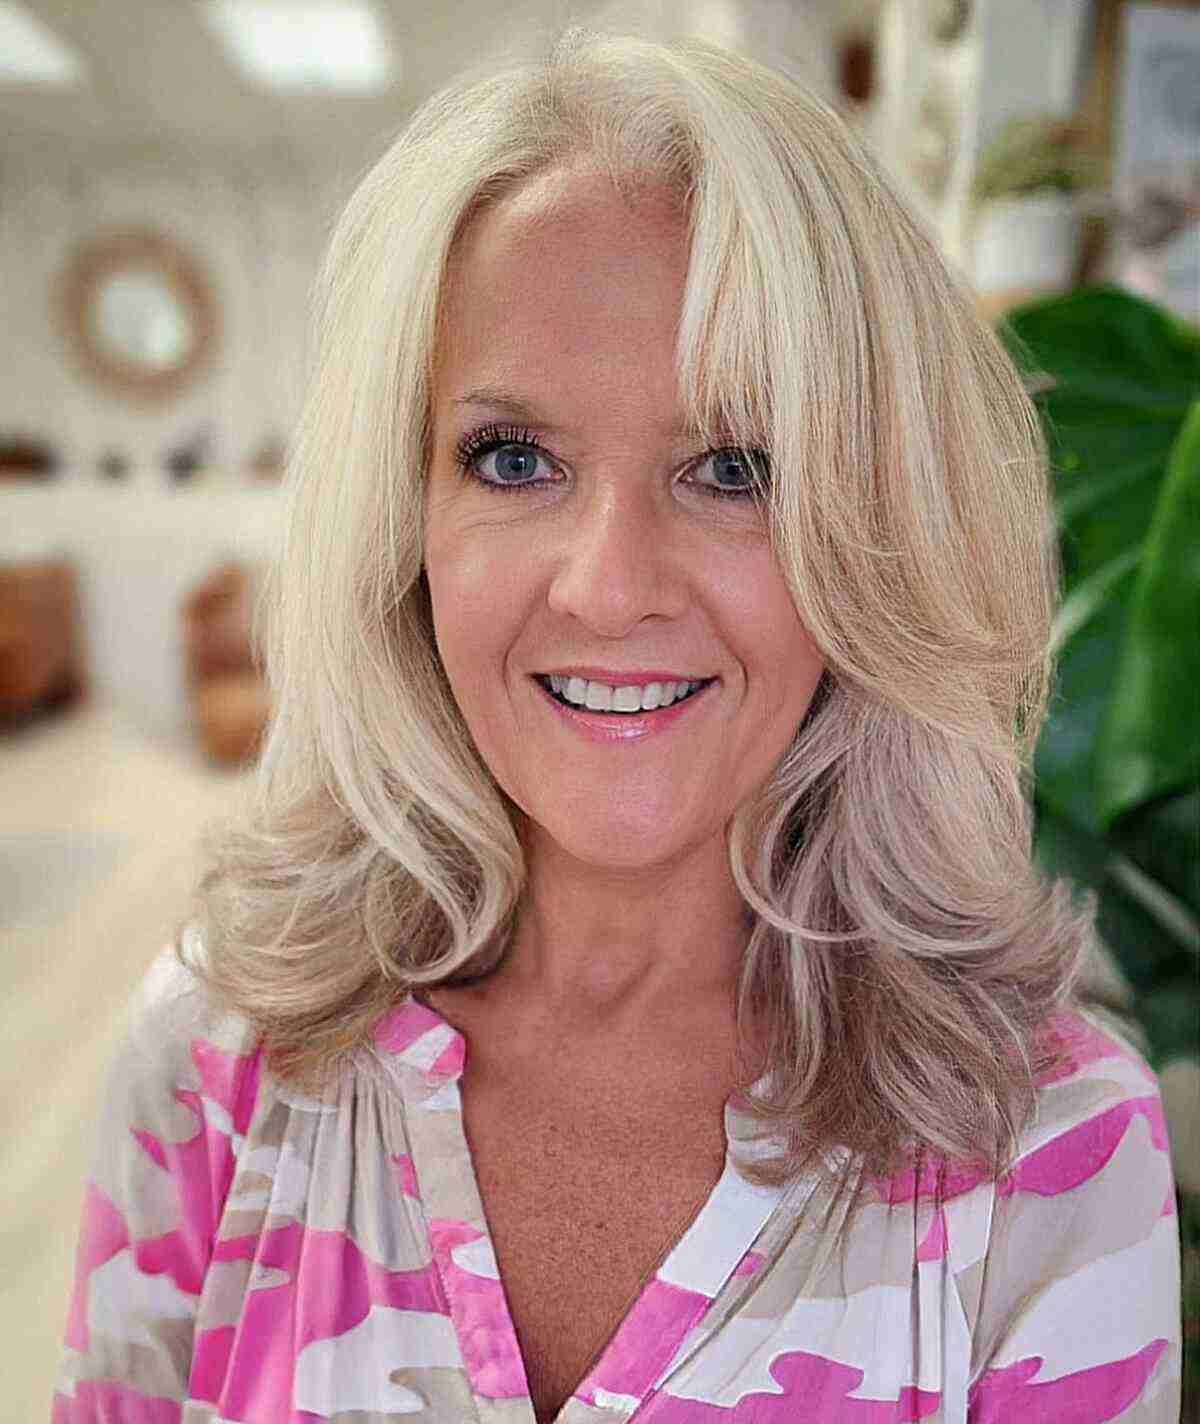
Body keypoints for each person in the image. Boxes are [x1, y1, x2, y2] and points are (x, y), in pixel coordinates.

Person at [54, 28, 1181, 1424]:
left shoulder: (1053, 1150)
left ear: (877, 531)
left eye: (735, 466)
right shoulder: (213, 1060)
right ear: (407, 522)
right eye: (513, 459)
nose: (608, 586)